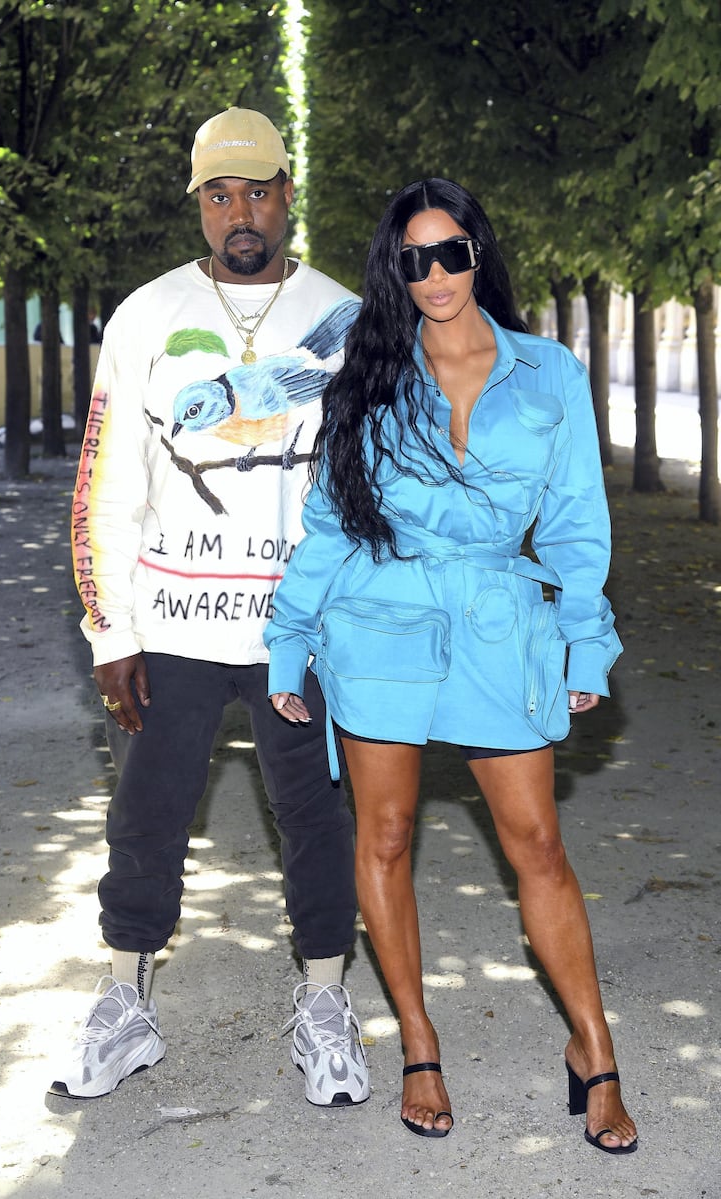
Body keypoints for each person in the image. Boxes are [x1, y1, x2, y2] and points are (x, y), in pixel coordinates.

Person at [265, 178, 638, 1151]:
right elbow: (330, 523)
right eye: (412, 259)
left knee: (538, 846)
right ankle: (418, 1042)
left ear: (477, 254)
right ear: (393, 271)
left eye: (450, 252)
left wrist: (584, 635)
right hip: (379, 624)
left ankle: (592, 1048)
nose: (433, 275)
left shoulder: (548, 372)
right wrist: (288, 637)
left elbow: (572, 522)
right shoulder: (369, 377)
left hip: (497, 623)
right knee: (382, 835)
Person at [52, 107, 370, 1109]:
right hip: (173, 627)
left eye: (258, 190)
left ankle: (323, 1001)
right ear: (198, 204)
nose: (241, 212)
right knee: (146, 819)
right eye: (219, 194)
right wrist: (111, 631)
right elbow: (107, 482)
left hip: (300, 636)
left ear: (287, 195)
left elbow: (370, 479)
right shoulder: (145, 314)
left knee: (316, 819)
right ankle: (123, 1002)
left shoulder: (350, 318)